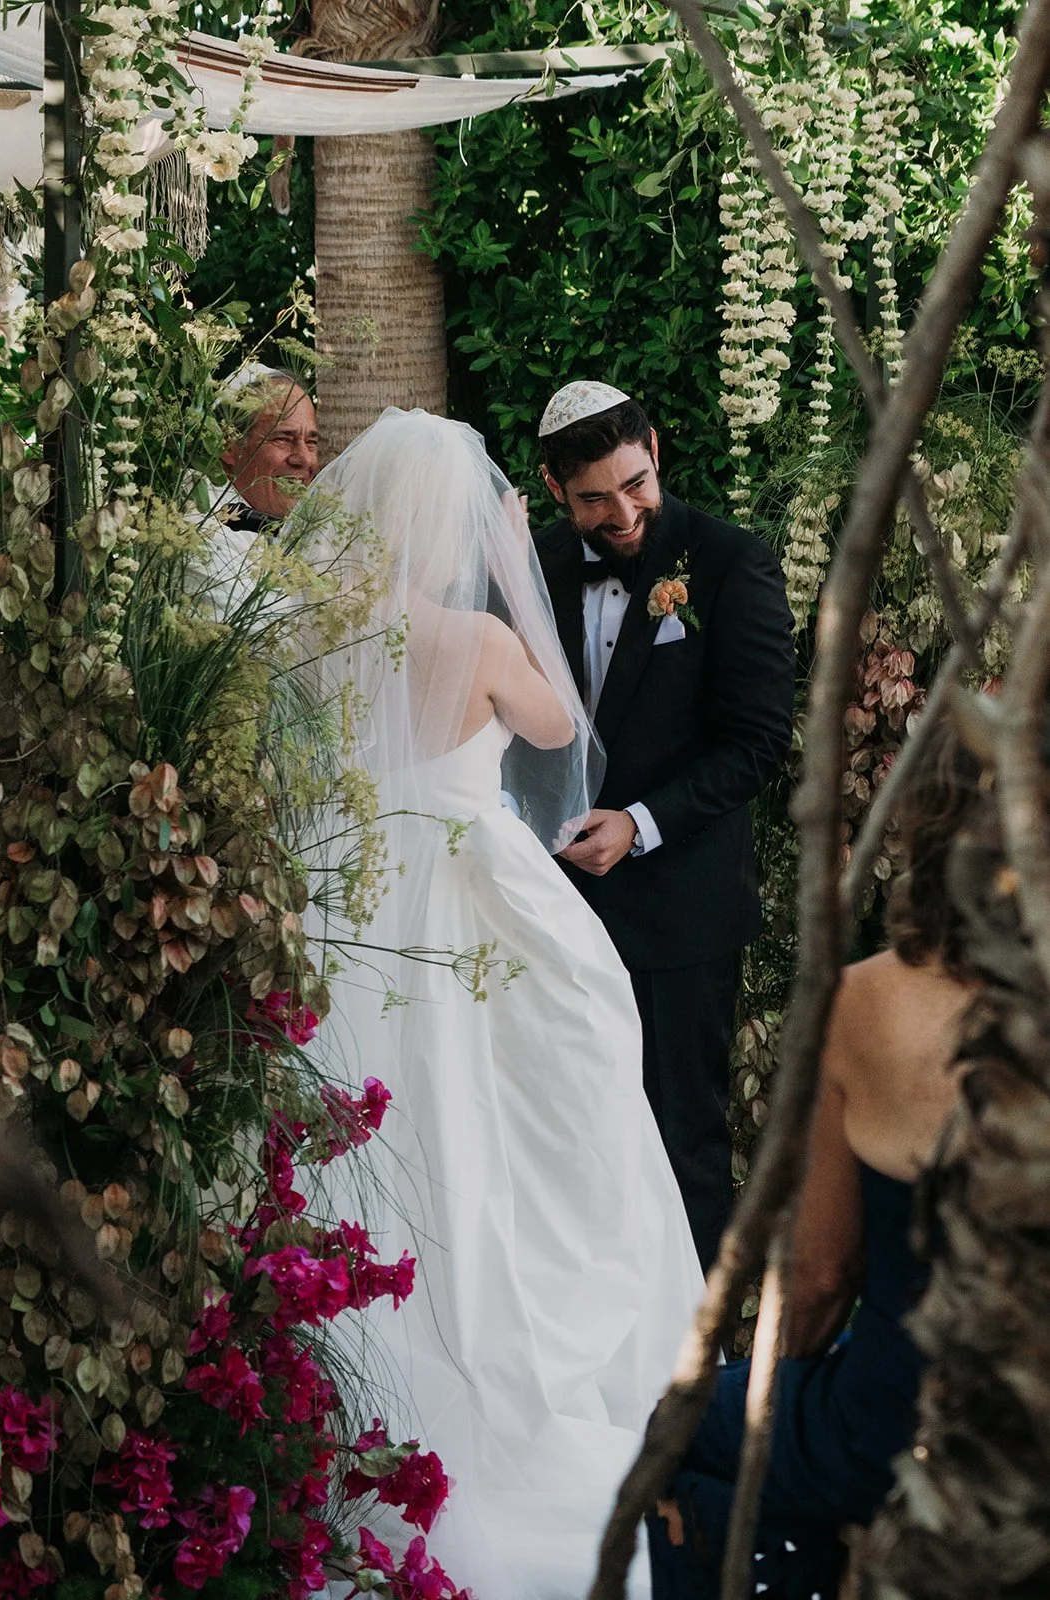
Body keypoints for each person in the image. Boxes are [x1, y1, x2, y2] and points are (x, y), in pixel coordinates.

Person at [302, 408, 705, 1600]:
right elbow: (554, 725)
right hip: (474, 899)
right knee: (524, 1114)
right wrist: (511, 597)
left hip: (358, 892)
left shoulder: (317, 635)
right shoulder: (477, 636)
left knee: (387, 1127)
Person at [647, 713, 983, 1599]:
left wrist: (772, 1384)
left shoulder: (867, 1001)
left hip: (901, 1430)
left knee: (677, 1428)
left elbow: (824, 1273)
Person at [533, 382, 796, 1269]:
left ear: (655, 447)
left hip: (679, 912)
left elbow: (757, 744)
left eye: (635, 484)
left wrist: (639, 824)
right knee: (571, 1135)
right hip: (553, 913)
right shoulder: (534, 566)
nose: (621, 513)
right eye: (594, 499)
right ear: (552, 488)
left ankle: (702, 1361)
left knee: (680, 1135)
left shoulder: (729, 562)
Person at [218, 363, 319, 529]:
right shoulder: (201, 530)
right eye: (283, 439)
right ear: (228, 446)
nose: (305, 459)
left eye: (311, 442)